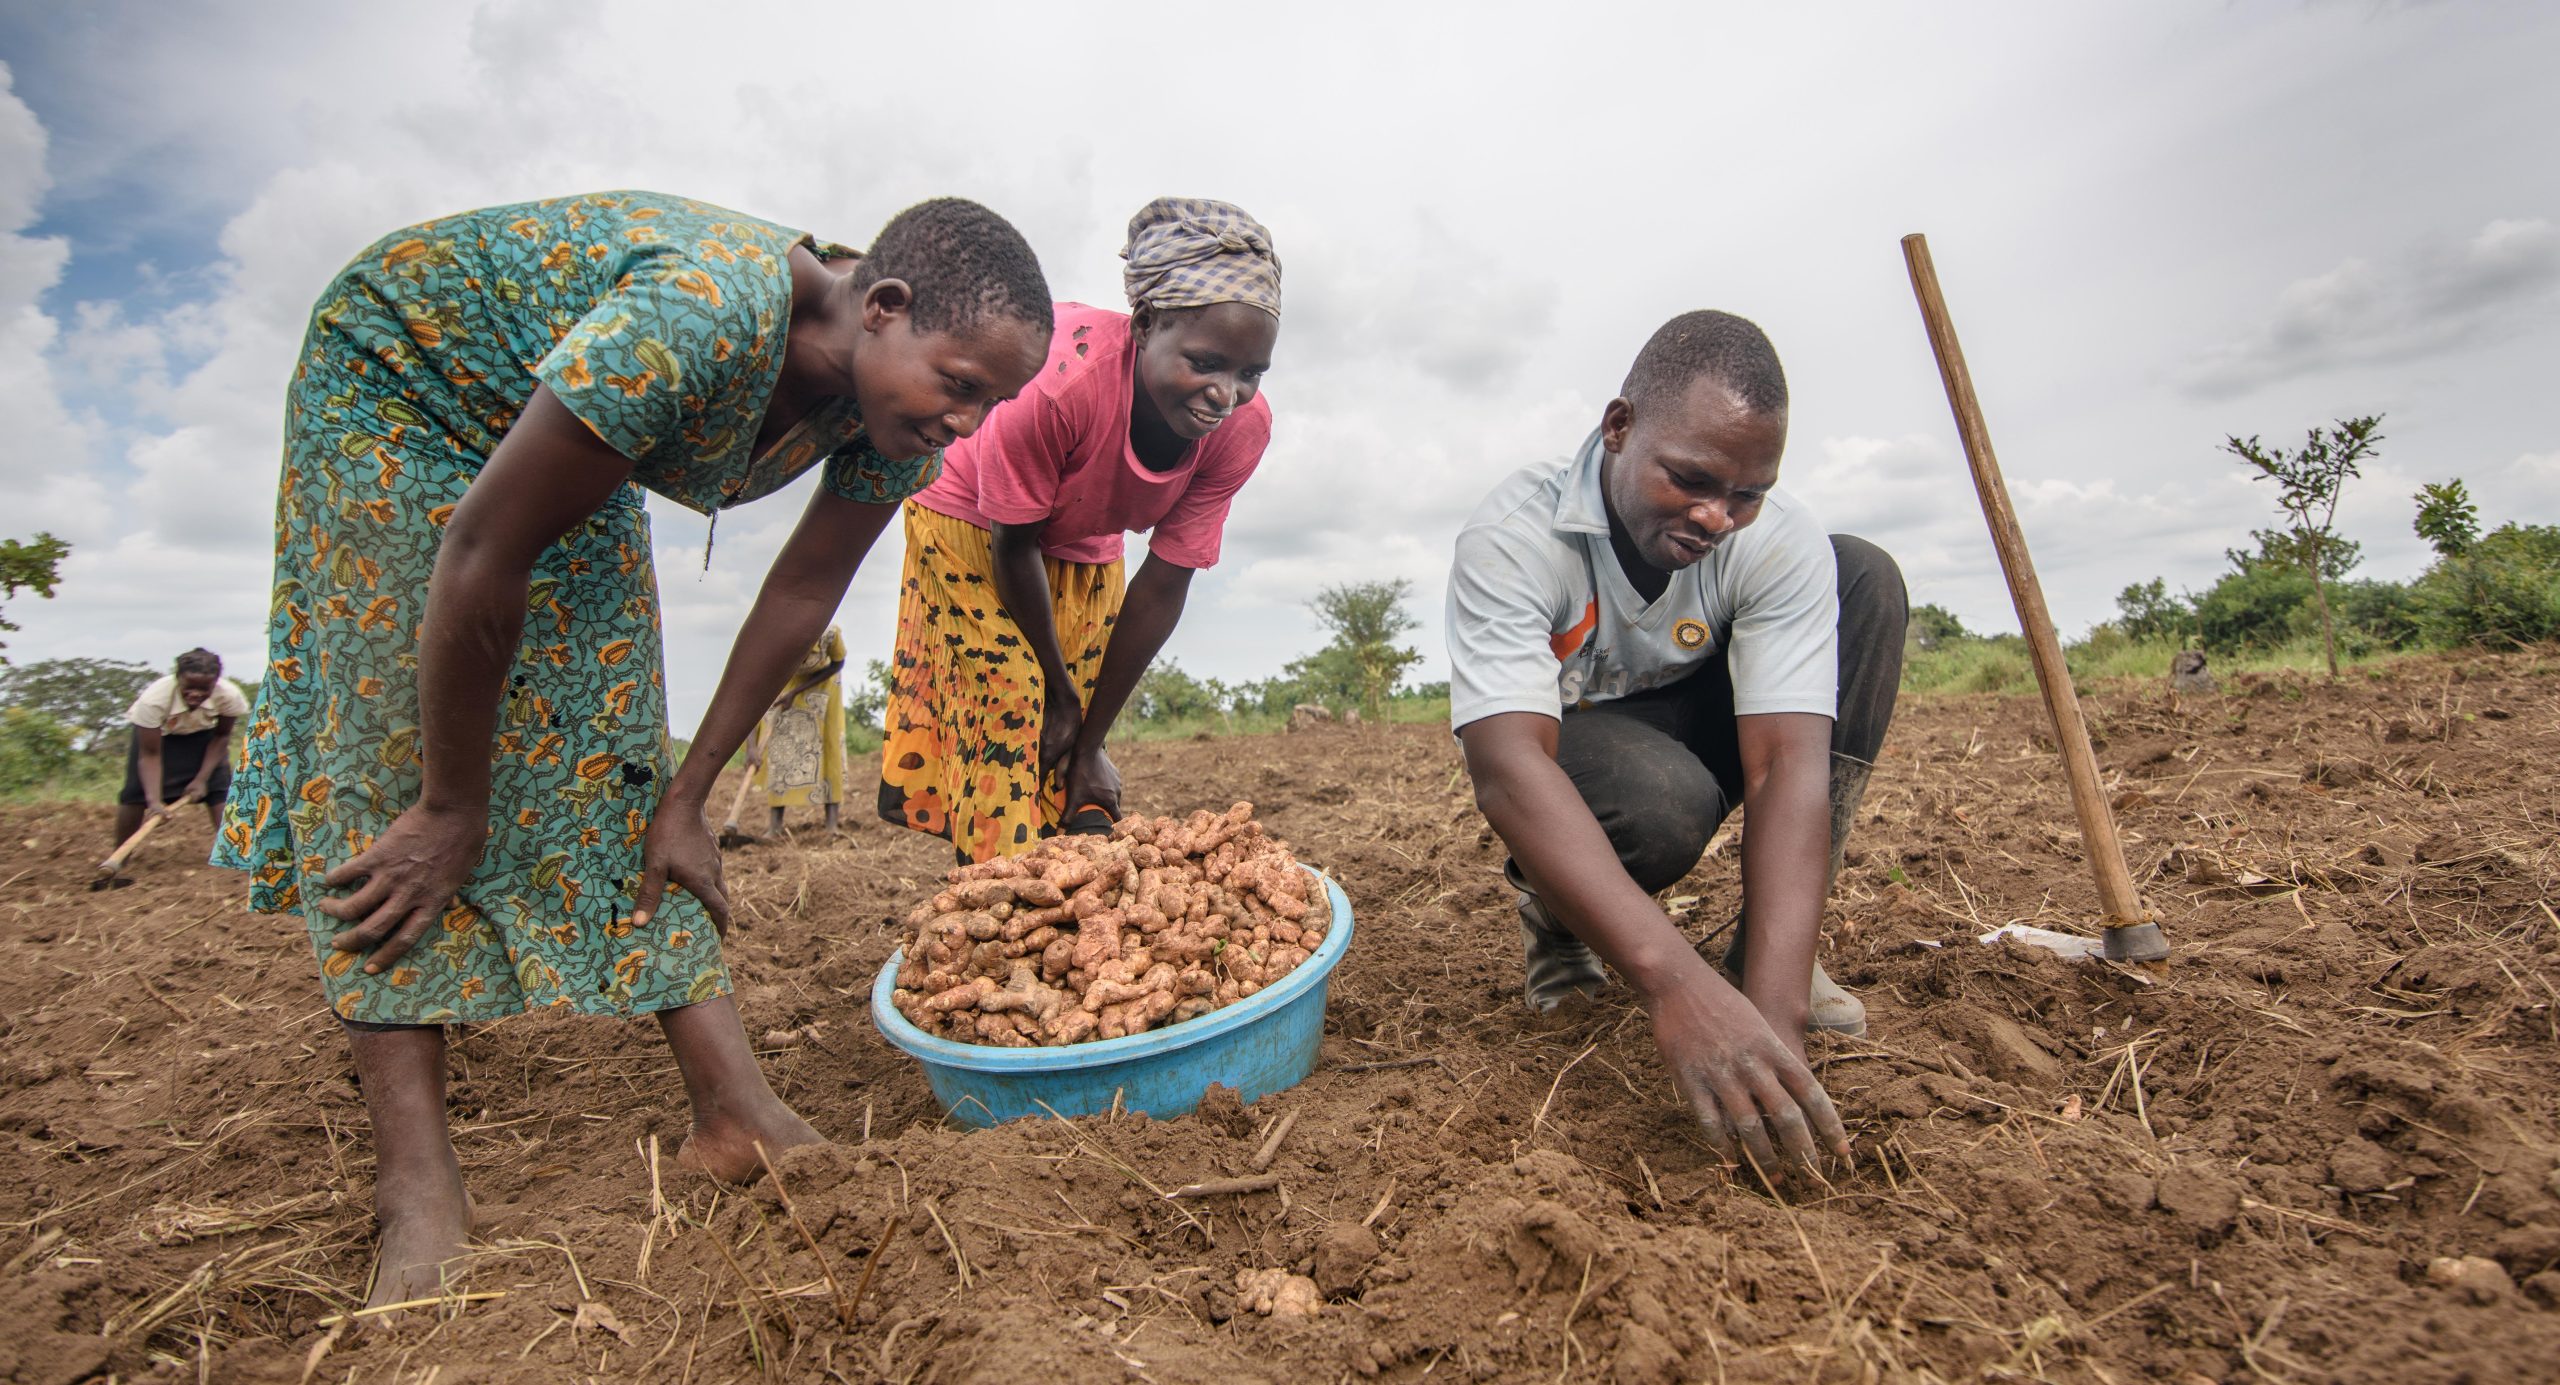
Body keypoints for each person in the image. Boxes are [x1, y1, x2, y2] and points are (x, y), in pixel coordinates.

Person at [210, 190, 1052, 1310]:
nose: (969, 424)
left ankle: (736, 1110)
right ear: (884, 306)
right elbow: (484, 546)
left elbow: (801, 592)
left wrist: (689, 796)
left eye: (992, 403)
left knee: (616, 743)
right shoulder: (694, 318)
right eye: (960, 384)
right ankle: (417, 1182)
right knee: (394, 758)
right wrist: (454, 804)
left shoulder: (889, 423)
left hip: (561, 420)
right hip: (406, 387)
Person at [1446, 310, 1908, 1174]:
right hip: (1578, 750)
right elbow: (1506, 767)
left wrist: (1774, 1026)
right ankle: (1559, 920)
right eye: (1690, 479)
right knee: (1660, 805)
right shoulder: (1517, 536)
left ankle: (1770, 958)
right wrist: (1675, 986)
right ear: (1619, 427)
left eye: (1747, 493)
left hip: (1705, 714)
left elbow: (1785, 765)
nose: (1717, 516)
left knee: (1864, 577)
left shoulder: (1773, 539)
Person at [877, 198, 1281, 862]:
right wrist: (1059, 694)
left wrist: (1090, 737)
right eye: (1206, 362)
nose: (1224, 393)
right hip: (972, 515)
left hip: (1088, 536)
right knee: (1014, 699)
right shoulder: (1060, 384)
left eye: (1250, 374)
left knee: (1074, 734)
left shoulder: (1241, 430)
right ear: (1145, 325)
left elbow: (1164, 583)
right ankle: (1001, 892)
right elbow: (1014, 543)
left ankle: (1081, 880)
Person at [112, 648, 251, 862]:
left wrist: (201, 779)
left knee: (220, 791)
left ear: (215, 682)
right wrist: (154, 802)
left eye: (204, 689)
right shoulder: (153, 700)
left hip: (205, 739)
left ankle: (235, 855)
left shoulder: (229, 696)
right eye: (189, 687)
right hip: (159, 739)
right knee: (134, 795)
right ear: (178, 679)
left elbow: (221, 736)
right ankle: (120, 857)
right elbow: (150, 754)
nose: (196, 694)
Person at [747, 624, 847, 835]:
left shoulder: (830, 633)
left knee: (830, 746)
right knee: (779, 748)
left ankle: (831, 825)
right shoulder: (772, 637)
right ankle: (774, 827)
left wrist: (798, 692)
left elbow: (838, 663)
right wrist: (751, 747)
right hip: (785, 682)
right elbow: (752, 693)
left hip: (825, 684)